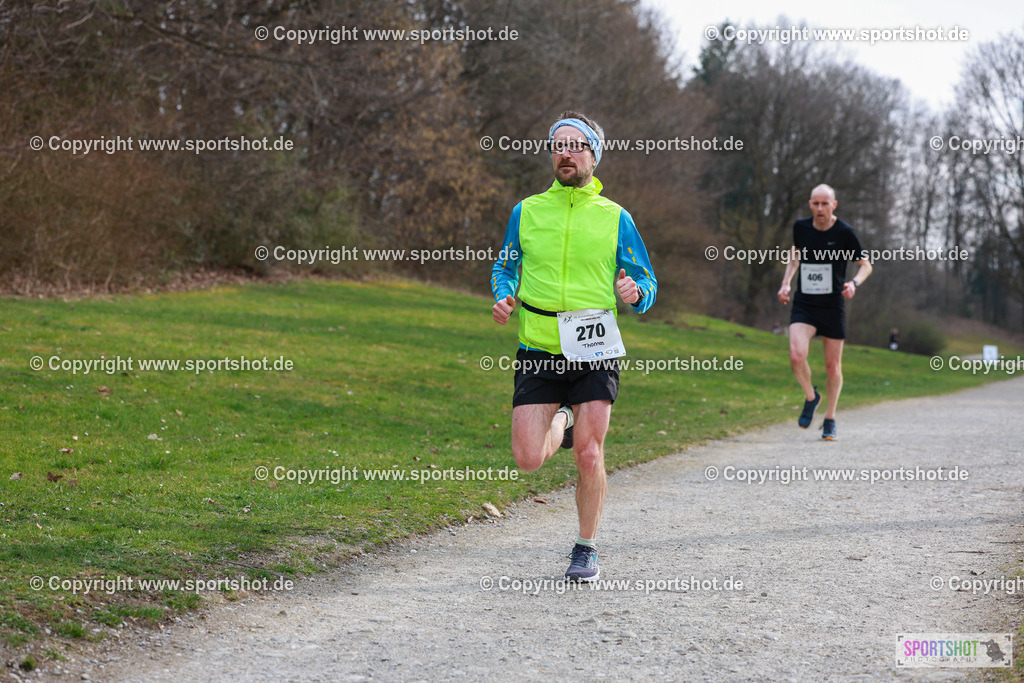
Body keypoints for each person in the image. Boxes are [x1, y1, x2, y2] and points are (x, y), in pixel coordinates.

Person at [490, 111, 657, 581]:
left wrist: (637, 293)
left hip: (594, 345)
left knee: (589, 452)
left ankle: (585, 547)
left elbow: (646, 280)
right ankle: (564, 416)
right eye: (557, 144)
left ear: (593, 155)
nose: (565, 151)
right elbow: (505, 266)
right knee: (526, 458)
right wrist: (503, 293)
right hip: (539, 347)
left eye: (576, 144)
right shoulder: (527, 211)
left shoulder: (615, 218)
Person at [777, 184, 872, 441]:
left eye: (824, 204)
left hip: (832, 305)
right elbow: (795, 255)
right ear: (810, 205)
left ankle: (830, 418)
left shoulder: (845, 233)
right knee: (797, 355)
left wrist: (854, 283)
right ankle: (811, 396)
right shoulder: (801, 227)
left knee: (833, 367)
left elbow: (865, 265)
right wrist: (786, 282)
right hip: (805, 303)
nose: (820, 209)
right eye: (815, 204)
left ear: (834, 205)